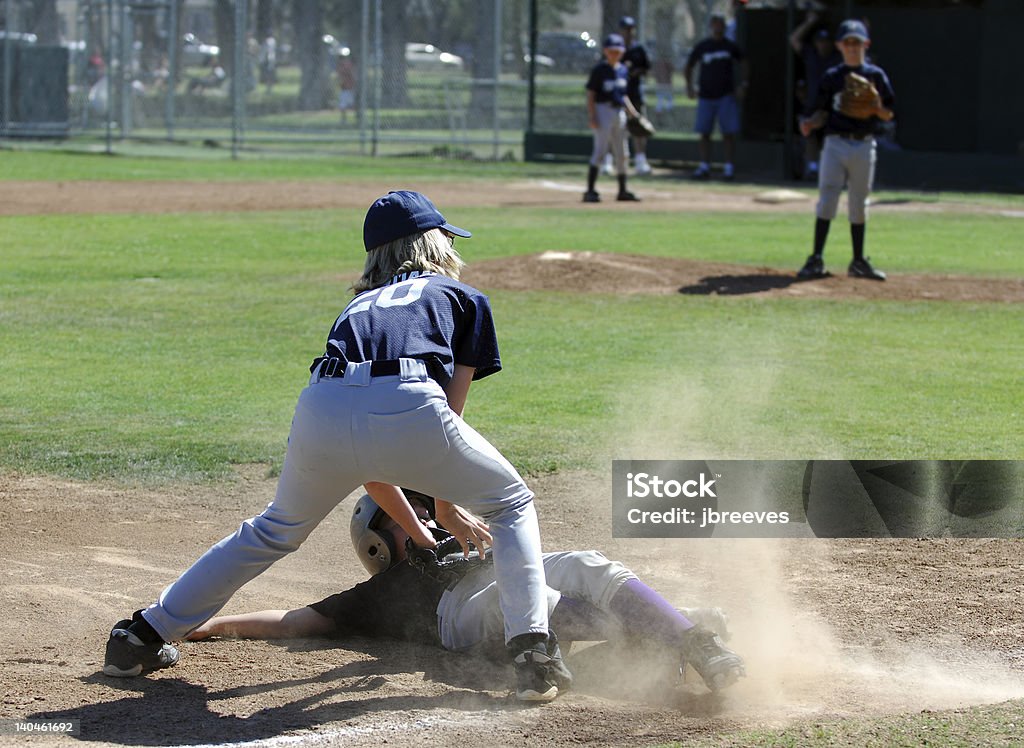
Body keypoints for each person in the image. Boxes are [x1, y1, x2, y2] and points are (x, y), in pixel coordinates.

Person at [103, 190, 572, 703]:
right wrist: (444, 507)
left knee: (274, 529)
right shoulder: (461, 298)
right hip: (409, 394)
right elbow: (444, 423)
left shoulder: (355, 308)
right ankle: (532, 655)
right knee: (511, 503)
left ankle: (140, 636)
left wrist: (430, 512)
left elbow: (369, 461)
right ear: (433, 245)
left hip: (321, 404)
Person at [186, 492, 747, 694]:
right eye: (404, 515)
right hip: (464, 613)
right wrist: (210, 623)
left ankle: (692, 640)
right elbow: (292, 621)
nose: (422, 515)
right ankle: (661, 637)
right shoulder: (379, 594)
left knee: (584, 563)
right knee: (524, 600)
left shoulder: (460, 535)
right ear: (379, 542)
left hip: (503, 571)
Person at [796, 20, 895, 282]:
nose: (852, 47)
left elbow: (888, 114)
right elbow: (821, 112)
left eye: (857, 42)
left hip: (864, 143)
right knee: (827, 199)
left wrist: (875, 107)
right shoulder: (832, 77)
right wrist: (809, 123)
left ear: (866, 44)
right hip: (835, 143)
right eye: (847, 42)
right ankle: (816, 258)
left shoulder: (876, 76)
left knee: (859, 204)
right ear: (839, 46)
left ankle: (858, 261)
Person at [684, 14, 749, 181]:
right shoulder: (703, 46)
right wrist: (689, 87)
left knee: (728, 133)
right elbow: (689, 66)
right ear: (710, 26)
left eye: (720, 24)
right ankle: (704, 166)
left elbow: (744, 62)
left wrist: (743, 84)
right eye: (715, 24)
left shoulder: (730, 47)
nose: (717, 28)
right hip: (706, 96)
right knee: (704, 132)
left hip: (725, 96)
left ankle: (728, 168)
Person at [584, 34, 642, 204]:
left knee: (622, 153)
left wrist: (633, 113)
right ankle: (590, 190)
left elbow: (623, 96)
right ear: (605, 51)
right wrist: (592, 116)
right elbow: (591, 95)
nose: (614, 54)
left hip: (619, 113)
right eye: (611, 51)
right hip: (603, 110)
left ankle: (622, 191)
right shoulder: (599, 70)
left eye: (617, 51)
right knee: (600, 151)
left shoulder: (623, 70)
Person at [790, 11, 841, 181]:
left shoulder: (837, 58)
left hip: (832, 104)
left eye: (826, 42)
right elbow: (794, 40)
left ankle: (832, 170)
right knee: (809, 132)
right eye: (820, 42)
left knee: (832, 138)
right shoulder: (810, 54)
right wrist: (809, 22)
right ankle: (813, 168)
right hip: (812, 102)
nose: (823, 45)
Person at [619, 16, 653, 176]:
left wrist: (636, 72)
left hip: (635, 93)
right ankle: (611, 160)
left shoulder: (639, 49)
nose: (628, 32)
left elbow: (647, 68)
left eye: (630, 28)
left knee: (639, 126)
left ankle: (640, 160)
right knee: (617, 128)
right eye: (625, 28)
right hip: (618, 94)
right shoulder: (616, 49)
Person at [336, 55, 357, 124]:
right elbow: (340, 76)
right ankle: (344, 120)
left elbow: (352, 75)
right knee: (343, 105)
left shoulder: (348, 65)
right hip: (344, 89)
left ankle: (357, 120)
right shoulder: (341, 66)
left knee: (351, 105)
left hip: (350, 88)